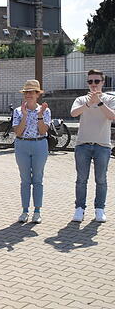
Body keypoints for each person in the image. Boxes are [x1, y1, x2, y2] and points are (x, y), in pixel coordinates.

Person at [70, 69, 115, 223]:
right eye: (90, 81)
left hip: (102, 145)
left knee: (101, 179)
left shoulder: (109, 99)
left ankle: (99, 209)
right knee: (81, 179)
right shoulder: (81, 99)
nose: (93, 85)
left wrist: (99, 102)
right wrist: (89, 103)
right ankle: (79, 209)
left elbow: (112, 116)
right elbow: (74, 113)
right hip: (83, 145)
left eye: (97, 81)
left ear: (103, 82)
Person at [13, 80, 51, 224]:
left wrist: (40, 115)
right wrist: (24, 115)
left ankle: (37, 211)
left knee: (38, 179)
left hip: (39, 144)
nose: (29, 95)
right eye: (26, 92)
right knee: (25, 180)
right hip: (22, 145)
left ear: (37, 95)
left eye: (32, 92)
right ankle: (24, 211)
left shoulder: (45, 110)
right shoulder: (17, 110)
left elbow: (43, 130)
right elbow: (18, 132)